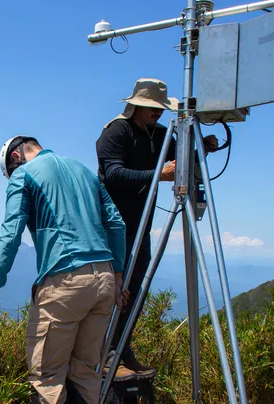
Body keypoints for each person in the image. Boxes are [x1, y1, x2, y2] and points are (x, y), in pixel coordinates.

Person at [0, 135, 128, 404]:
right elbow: (117, 224)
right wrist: (119, 273)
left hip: (64, 281)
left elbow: (11, 232)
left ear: (16, 156)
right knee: (85, 372)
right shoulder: (83, 171)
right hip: (104, 279)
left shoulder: (25, 175)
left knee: (47, 373)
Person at [96, 78, 218, 378]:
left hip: (140, 222)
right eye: (152, 109)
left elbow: (180, 152)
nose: (158, 114)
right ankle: (106, 353)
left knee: (135, 286)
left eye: (159, 110)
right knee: (115, 288)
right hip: (112, 223)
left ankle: (120, 348)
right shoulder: (116, 131)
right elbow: (112, 174)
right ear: (136, 106)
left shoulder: (159, 134)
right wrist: (158, 175)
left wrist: (203, 146)